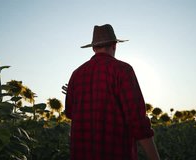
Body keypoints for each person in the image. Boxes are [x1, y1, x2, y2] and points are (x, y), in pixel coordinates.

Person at [64, 24, 160, 160]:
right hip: (115, 153)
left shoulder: (77, 74)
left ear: (93, 48)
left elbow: (70, 113)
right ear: (114, 45)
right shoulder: (123, 70)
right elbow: (137, 121)